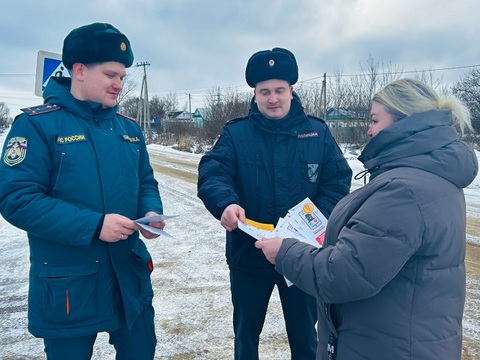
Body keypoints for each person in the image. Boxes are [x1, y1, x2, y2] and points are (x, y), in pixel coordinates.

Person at [255, 78, 478, 360]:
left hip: (389, 346)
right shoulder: (433, 174)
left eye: (374, 120)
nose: (369, 130)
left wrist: (284, 251)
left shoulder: (403, 191)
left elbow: (343, 274)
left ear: (405, 122)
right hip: (407, 339)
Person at [0, 22, 165, 360]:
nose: (119, 84)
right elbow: (17, 199)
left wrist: (150, 212)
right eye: (110, 75)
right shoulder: (36, 125)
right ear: (79, 71)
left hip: (127, 276)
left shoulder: (129, 130)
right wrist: (94, 225)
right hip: (69, 284)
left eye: (122, 76)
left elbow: (146, 181)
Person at [197, 47, 352, 359]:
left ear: (292, 91)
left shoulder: (317, 132)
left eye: (279, 90)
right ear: (254, 94)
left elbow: (337, 181)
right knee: (245, 336)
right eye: (264, 91)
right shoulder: (236, 133)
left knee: (306, 338)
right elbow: (213, 173)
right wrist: (225, 203)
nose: (272, 98)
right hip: (248, 254)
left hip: (302, 255)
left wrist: (314, 221)